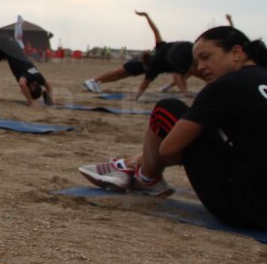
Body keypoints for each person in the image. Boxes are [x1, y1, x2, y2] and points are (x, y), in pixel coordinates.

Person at [77, 27, 267, 229]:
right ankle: (132, 165)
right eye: (197, 62)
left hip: (246, 211)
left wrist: (182, 156)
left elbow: (168, 150)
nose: (201, 67)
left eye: (206, 57)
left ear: (236, 53)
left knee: (168, 109)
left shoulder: (225, 86)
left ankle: (146, 176)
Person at [83, 11, 196, 98]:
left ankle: (97, 82)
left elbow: (155, 30)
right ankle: (93, 81)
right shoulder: (157, 59)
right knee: (118, 72)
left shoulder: (161, 46)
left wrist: (147, 16)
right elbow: (145, 84)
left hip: (145, 64)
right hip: (139, 62)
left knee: (119, 76)